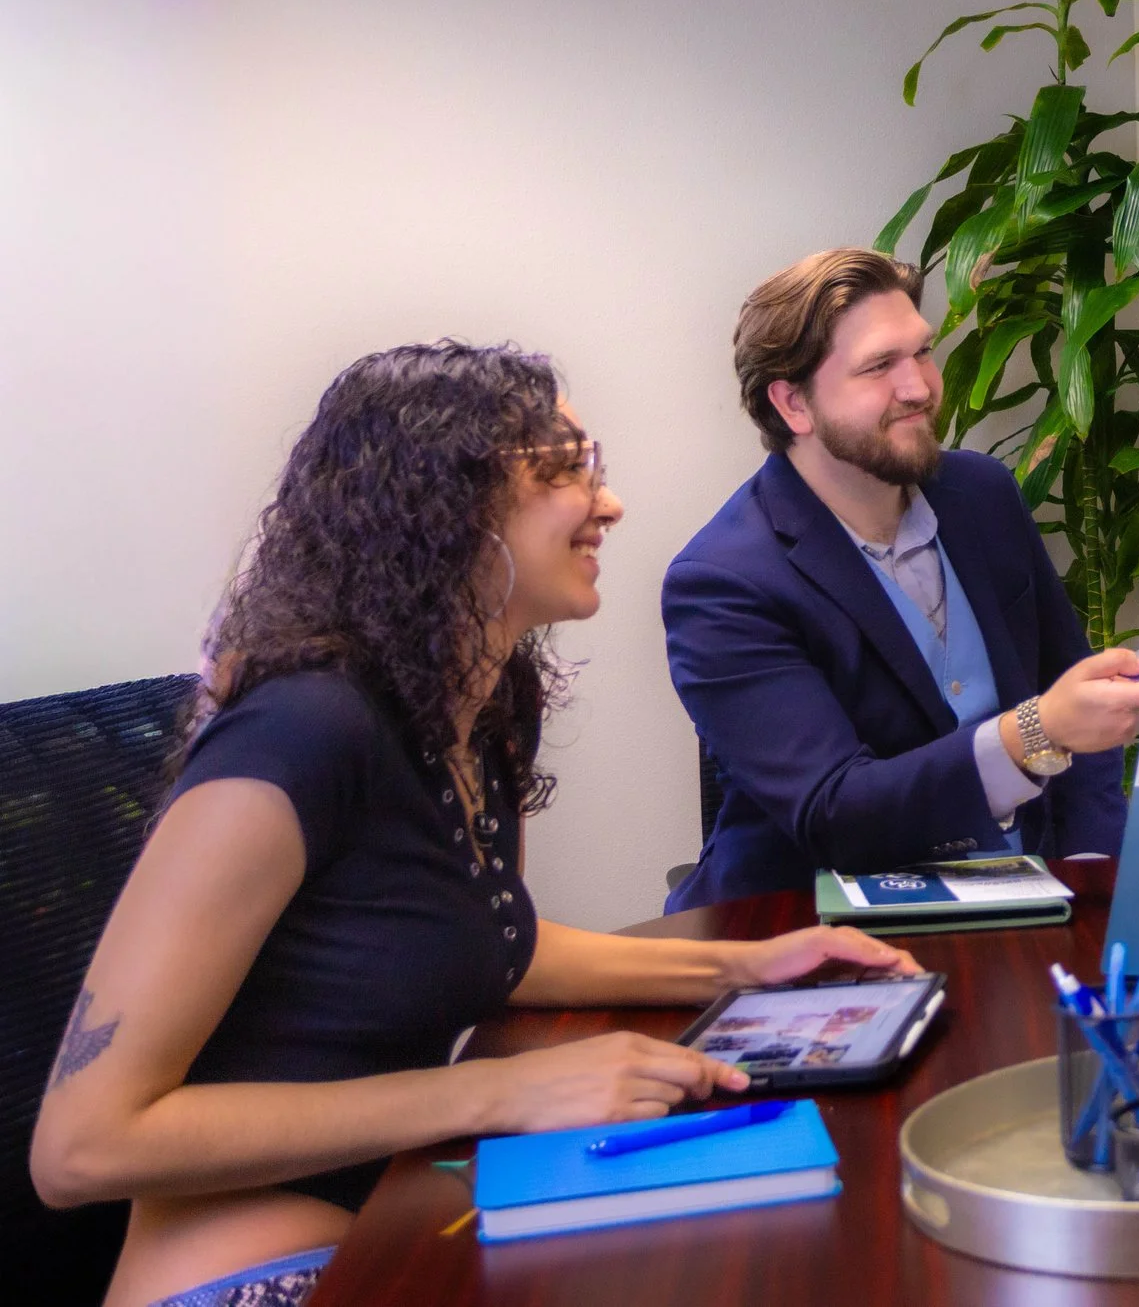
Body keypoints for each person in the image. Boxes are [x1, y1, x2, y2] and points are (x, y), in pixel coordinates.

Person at [30, 343, 918, 1307]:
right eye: (569, 468)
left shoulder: (479, 705)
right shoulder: (301, 731)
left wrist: (745, 965)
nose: (608, 503)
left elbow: (481, 941)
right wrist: (495, 1093)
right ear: (446, 504)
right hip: (253, 1279)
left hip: (414, 1219)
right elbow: (80, 1147)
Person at [661, 249, 1139, 912]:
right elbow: (836, 812)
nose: (920, 388)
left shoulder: (983, 495)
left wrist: (1099, 877)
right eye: (878, 366)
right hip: (813, 931)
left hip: (1034, 899)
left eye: (921, 353)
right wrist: (1036, 732)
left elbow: (1077, 696)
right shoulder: (723, 583)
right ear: (793, 404)